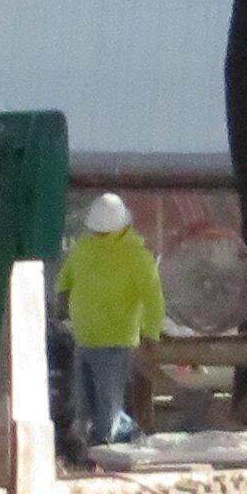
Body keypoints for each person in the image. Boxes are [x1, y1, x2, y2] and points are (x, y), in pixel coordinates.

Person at [58, 190, 167, 448]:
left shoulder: (136, 256)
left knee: (106, 407)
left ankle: (112, 444)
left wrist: (151, 333)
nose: (99, 235)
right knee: (85, 405)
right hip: (85, 339)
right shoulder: (85, 249)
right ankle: (111, 441)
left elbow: (153, 299)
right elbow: (64, 281)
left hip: (115, 342)